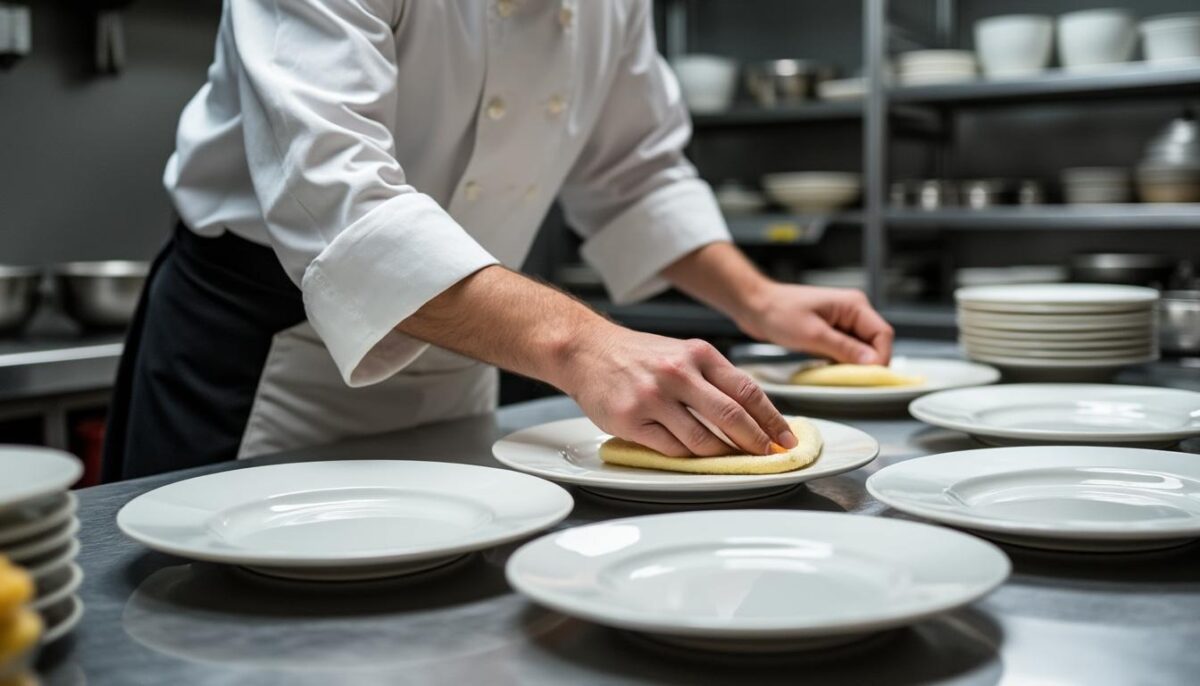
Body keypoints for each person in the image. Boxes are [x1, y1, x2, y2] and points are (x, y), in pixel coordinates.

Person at [101, 0, 894, 481]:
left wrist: (759, 301)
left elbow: (636, 173)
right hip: (267, 358)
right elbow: (344, 204)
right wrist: (582, 344)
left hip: (470, 347)